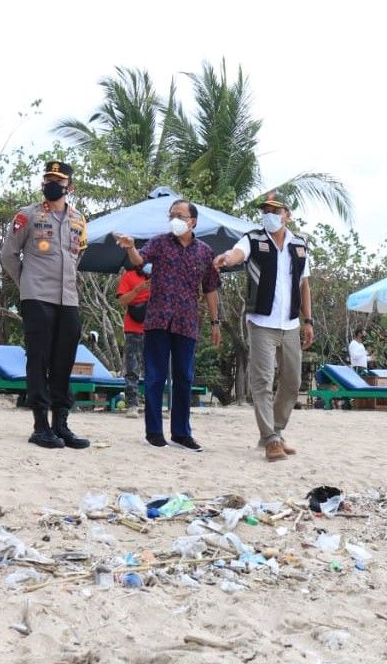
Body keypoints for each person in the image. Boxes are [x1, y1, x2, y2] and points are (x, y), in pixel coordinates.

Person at [213, 192, 313, 462]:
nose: (270, 215)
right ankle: (270, 439)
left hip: (291, 323)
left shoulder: (300, 245)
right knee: (262, 381)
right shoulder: (253, 238)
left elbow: (304, 284)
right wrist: (226, 258)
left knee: (293, 382)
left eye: (276, 210)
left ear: (287, 215)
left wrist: (308, 320)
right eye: (266, 210)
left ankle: (276, 431)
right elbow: (237, 253)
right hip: (261, 323)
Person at [116, 199, 221, 451]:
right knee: (155, 377)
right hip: (157, 320)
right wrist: (130, 248)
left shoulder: (205, 251)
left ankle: (181, 434)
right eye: (171, 214)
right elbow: (140, 260)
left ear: (192, 221)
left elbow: (210, 289)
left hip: (186, 323)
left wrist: (216, 322)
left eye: (180, 215)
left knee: (184, 377)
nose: (174, 218)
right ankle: (154, 432)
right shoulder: (160, 242)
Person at [1, 161, 90, 449]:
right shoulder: (27, 215)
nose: (52, 184)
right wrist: (26, 283)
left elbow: (78, 257)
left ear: (69, 187)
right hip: (37, 296)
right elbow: (9, 254)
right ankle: (40, 425)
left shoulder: (79, 219)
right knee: (38, 360)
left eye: (58, 180)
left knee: (64, 361)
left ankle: (60, 424)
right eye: (48, 179)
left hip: (68, 298)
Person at [116, 262, 152, 418]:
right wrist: (139, 289)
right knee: (132, 367)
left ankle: (153, 405)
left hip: (156, 328)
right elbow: (122, 301)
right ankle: (132, 404)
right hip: (134, 328)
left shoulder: (163, 276)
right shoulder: (128, 276)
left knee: (155, 368)